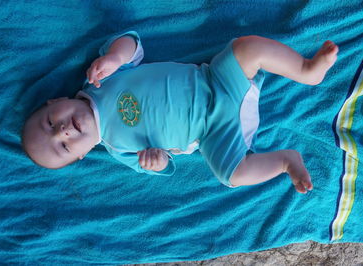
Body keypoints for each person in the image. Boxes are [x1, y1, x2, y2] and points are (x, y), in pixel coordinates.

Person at [22, 31, 338, 194]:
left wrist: (116, 57)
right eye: (64, 145)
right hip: (214, 132)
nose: (63, 131)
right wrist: (156, 161)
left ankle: (306, 70)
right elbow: (162, 166)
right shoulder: (118, 149)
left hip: (217, 81)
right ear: (80, 156)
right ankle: (285, 161)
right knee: (233, 174)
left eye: (51, 122)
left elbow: (132, 43)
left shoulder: (99, 78)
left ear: (54, 101)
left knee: (246, 47)